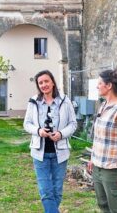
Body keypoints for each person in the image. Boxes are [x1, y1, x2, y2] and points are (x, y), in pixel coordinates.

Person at [24, 70, 77, 213]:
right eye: (40, 83)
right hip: (39, 154)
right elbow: (27, 124)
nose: (44, 85)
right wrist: (38, 131)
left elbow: (73, 124)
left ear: (53, 82)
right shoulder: (33, 101)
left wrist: (61, 133)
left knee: (57, 191)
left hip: (60, 153)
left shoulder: (65, 101)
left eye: (46, 81)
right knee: (46, 191)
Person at [87, 69, 117, 212]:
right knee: (103, 206)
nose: (97, 86)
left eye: (100, 83)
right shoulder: (103, 106)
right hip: (98, 167)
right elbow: (99, 137)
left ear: (109, 86)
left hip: (113, 169)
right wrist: (92, 158)